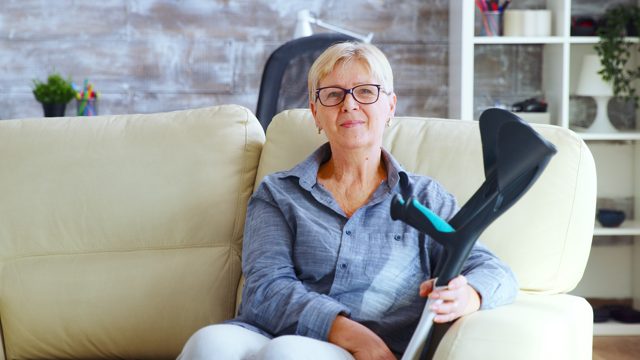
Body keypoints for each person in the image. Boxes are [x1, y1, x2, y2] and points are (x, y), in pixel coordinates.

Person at [179, 41, 518, 360]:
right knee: (209, 343)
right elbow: (266, 289)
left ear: (390, 106)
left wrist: (470, 294)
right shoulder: (279, 194)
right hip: (275, 333)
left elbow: (493, 270)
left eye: (366, 92)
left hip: (359, 353)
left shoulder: (425, 199)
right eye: (333, 95)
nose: (349, 104)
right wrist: (350, 333)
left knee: (287, 354)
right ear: (315, 112)